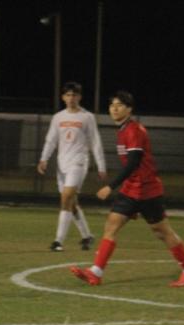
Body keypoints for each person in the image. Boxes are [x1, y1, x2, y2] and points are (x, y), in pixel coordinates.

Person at [70, 91, 184, 287]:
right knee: (111, 225)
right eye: (112, 105)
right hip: (131, 189)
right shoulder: (123, 129)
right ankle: (95, 272)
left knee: (162, 231)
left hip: (147, 190)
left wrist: (110, 186)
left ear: (129, 109)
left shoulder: (134, 130)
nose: (114, 108)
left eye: (119, 105)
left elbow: (133, 163)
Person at [36, 82, 106, 252]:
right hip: (62, 164)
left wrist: (101, 166)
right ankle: (87, 236)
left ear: (80, 97)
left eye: (74, 95)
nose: (71, 98)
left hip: (79, 162)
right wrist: (44, 159)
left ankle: (58, 241)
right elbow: (51, 140)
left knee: (66, 198)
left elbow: (95, 142)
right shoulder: (58, 117)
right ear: (63, 97)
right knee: (72, 204)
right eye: (68, 95)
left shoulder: (87, 117)